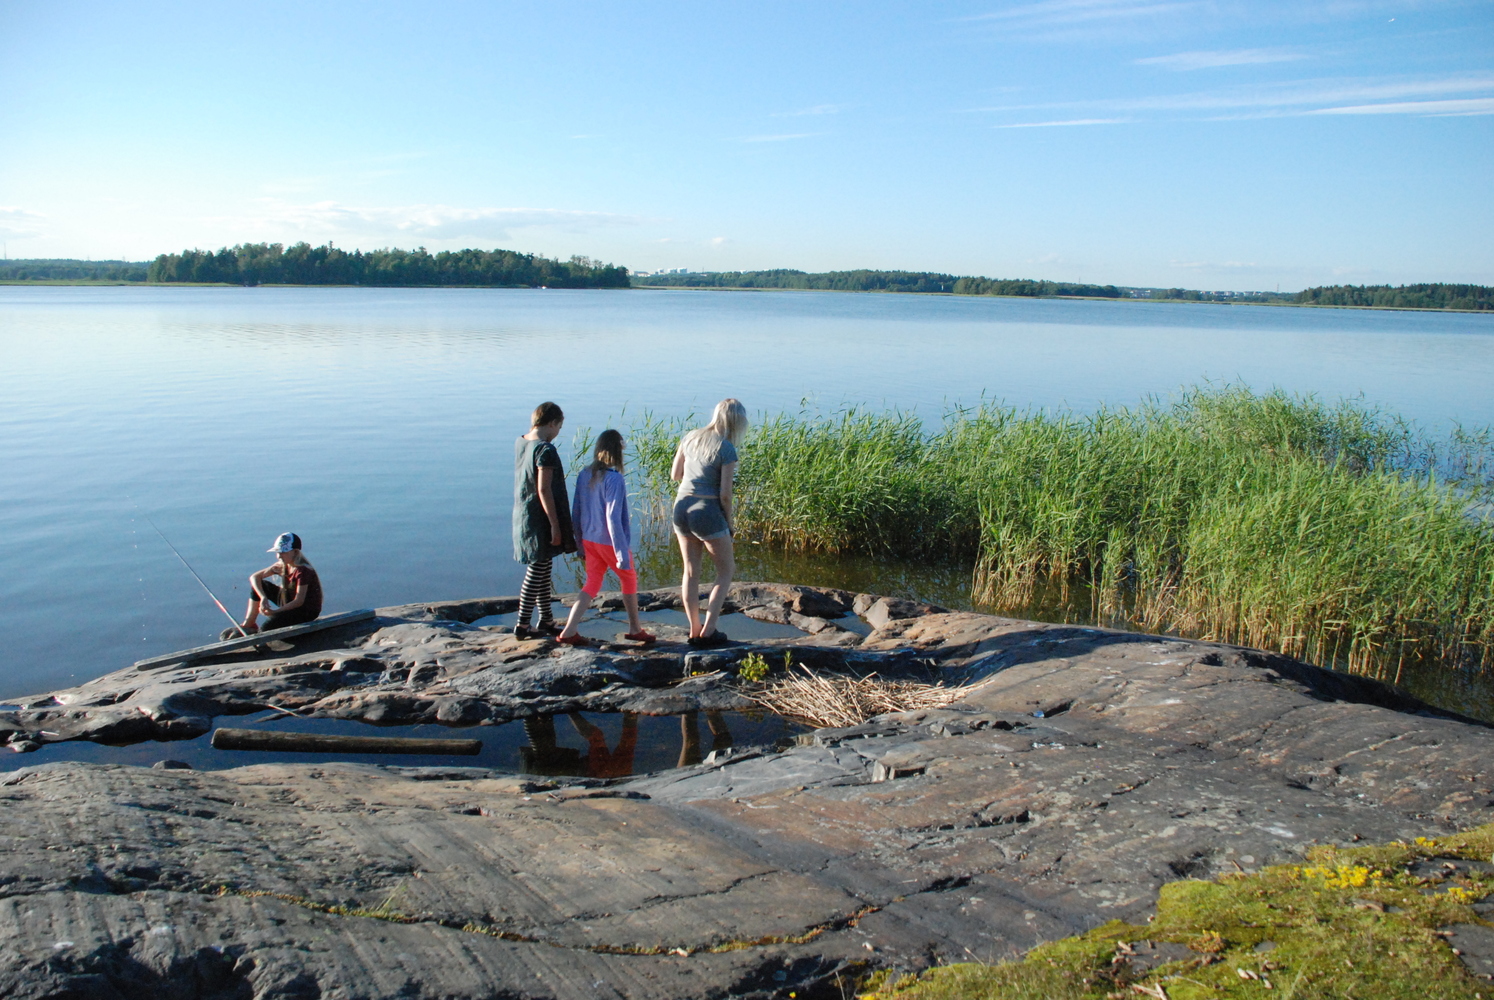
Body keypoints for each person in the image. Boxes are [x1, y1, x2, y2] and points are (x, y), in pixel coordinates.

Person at [556, 430, 656, 647]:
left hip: (590, 541)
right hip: (609, 542)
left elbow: (577, 510)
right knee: (628, 579)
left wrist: (579, 542)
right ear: (617, 451)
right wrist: (621, 553)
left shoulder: (584, 474)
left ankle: (569, 630)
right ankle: (635, 629)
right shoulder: (615, 478)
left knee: (592, 583)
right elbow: (612, 517)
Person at [670, 398, 747, 647]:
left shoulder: (690, 437)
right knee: (725, 571)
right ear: (737, 421)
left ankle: (694, 629)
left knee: (690, 571)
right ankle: (709, 630)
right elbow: (725, 494)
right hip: (707, 511)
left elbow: (675, 475)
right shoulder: (726, 449)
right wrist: (729, 521)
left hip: (681, 507)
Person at [513, 401, 576, 639]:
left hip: (523, 513)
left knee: (544, 566)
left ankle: (546, 620)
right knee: (537, 568)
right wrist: (554, 525)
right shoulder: (545, 450)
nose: (558, 432)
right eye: (559, 426)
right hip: (540, 518)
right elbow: (544, 490)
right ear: (552, 423)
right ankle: (522, 624)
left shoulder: (521, 441)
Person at [228, 532, 323, 638]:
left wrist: (275, 612)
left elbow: (298, 601)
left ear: (295, 552)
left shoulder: (303, 571)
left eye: (283, 552)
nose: (279, 556)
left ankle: (260, 638)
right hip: (290, 603)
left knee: (266, 628)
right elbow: (254, 577)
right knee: (262, 585)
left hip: (305, 611)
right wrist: (263, 597)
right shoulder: (282, 565)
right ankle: (249, 624)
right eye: (278, 552)